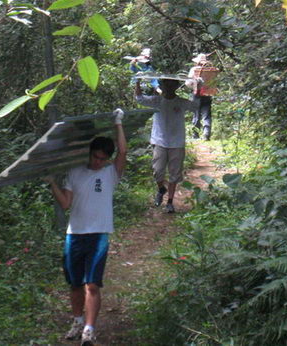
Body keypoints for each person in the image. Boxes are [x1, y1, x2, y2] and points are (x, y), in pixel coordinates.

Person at [45, 109, 126, 346]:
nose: (97, 161)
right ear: (90, 154)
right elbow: (66, 203)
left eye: (102, 158)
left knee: (92, 283)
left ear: (107, 159)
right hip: (75, 234)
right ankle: (78, 320)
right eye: (95, 157)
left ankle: (89, 329)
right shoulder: (75, 172)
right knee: (75, 284)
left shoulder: (111, 173)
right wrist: (52, 183)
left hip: (98, 234)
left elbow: (123, 151)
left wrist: (118, 123)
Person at [135, 78, 199, 213]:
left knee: (174, 174)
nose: (168, 87)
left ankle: (170, 201)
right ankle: (161, 189)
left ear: (176, 86)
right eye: (165, 84)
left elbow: (195, 106)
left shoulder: (180, 102)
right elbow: (139, 98)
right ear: (161, 85)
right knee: (158, 171)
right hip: (159, 141)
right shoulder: (156, 100)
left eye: (171, 84)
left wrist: (196, 88)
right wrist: (137, 82)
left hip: (177, 142)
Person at [186, 53, 214, 141]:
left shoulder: (194, 70)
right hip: (207, 94)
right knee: (206, 115)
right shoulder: (211, 70)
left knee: (196, 115)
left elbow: (188, 83)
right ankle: (206, 134)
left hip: (196, 94)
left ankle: (195, 135)